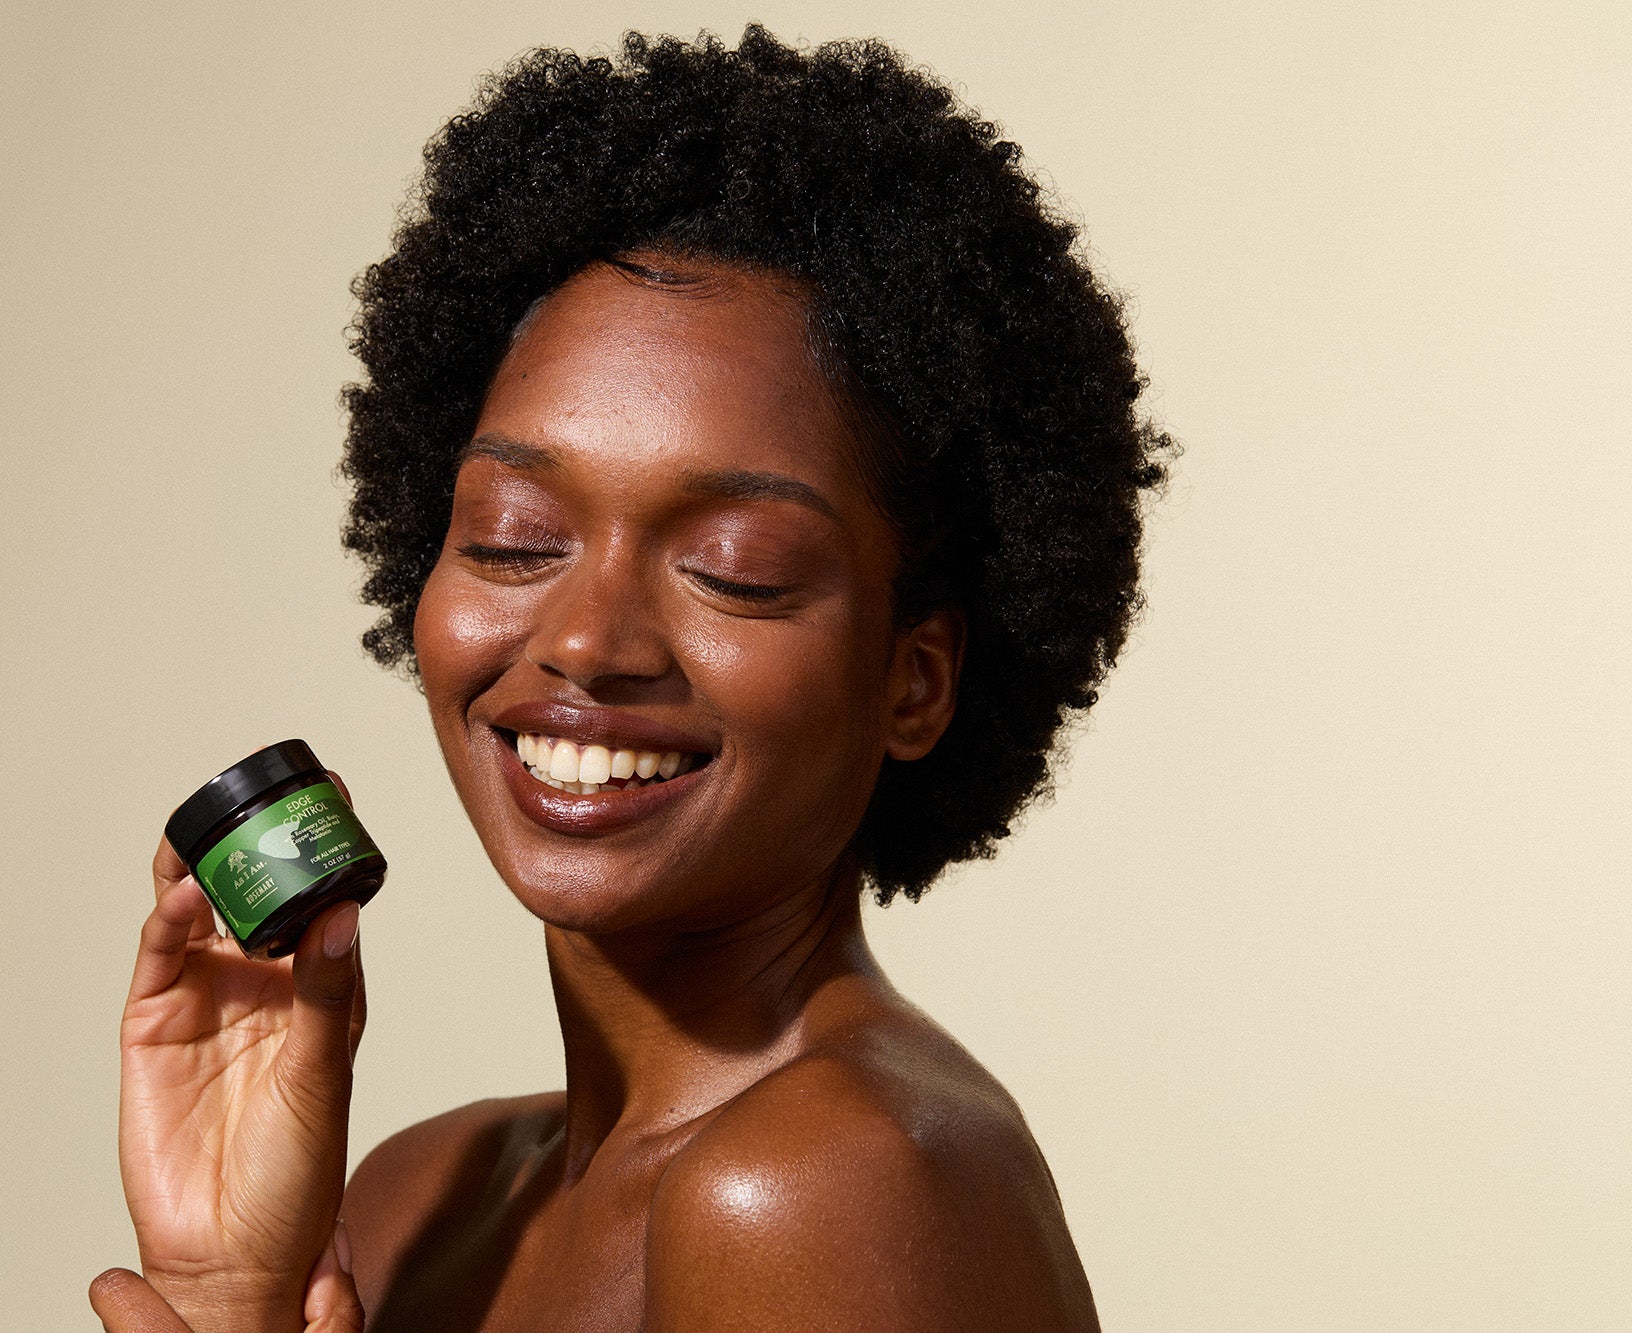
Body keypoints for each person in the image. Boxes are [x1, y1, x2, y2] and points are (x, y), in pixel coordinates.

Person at [91, 26, 1170, 1331]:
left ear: (916, 679)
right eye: (513, 537)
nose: (589, 639)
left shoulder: (816, 1184)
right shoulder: (418, 1199)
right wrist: (235, 1294)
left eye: (736, 566)